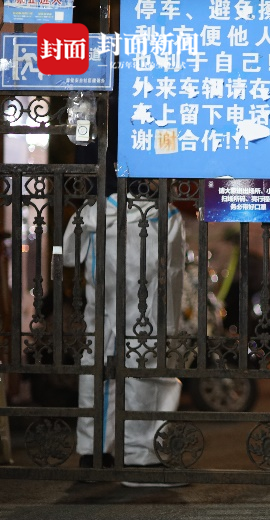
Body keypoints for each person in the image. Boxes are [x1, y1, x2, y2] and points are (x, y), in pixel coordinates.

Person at [63, 192, 186, 487]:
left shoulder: (93, 211)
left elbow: (67, 255)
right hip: (148, 307)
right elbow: (174, 267)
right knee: (148, 371)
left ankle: (94, 452)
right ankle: (141, 457)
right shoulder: (166, 213)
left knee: (98, 369)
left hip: (103, 303)